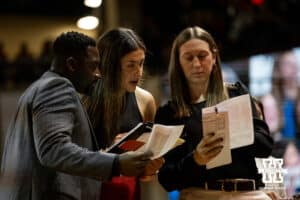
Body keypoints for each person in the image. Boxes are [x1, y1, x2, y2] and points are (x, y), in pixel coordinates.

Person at [0, 31, 153, 200]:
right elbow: (54, 150)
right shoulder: (57, 87)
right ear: (72, 64)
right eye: (93, 66)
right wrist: (116, 163)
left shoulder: (36, 88)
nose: (97, 74)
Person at [154, 26, 274, 200]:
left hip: (248, 193)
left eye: (202, 56)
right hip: (200, 194)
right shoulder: (169, 114)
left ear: (214, 56)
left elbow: (266, 147)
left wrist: (237, 133)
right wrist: (195, 160)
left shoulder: (236, 94)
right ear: (178, 62)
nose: (197, 64)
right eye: (189, 58)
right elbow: (167, 179)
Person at [83, 28, 167, 200]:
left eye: (141, 63)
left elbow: (145, 175)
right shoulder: (84, 100)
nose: (138, 71)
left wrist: (149, 168)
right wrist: (109, 155)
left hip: (128, 192)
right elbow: (66, 162)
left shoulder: (146, 100)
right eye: (131, 65)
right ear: (110, 65)